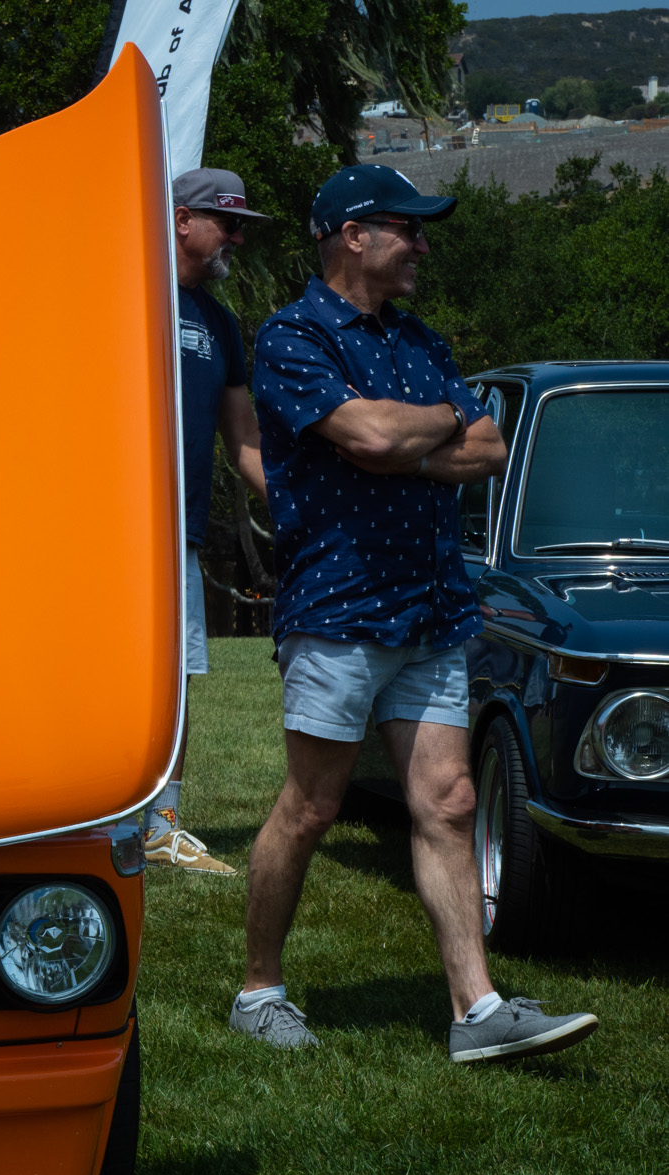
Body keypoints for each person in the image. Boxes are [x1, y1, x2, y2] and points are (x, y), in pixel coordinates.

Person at [236, 165, 599, 1063]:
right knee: (313, 805)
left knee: (450, 800)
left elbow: (489, 444)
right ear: (353, 235)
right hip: (338, 609)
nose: (424, 246)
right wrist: (422, 426)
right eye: (409, 228)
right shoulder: (291, 337)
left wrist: (410, 437)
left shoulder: (421, 341)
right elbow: (366, 435)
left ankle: (477, 1010)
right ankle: (259, 989)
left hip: (432, 608)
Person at [144, 168, 269, 875]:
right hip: (108, 536)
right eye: (229, 222)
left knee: (175, 681)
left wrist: (300, 506)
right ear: (182, 220)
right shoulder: (126, 294)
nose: (238, 238)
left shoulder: (219, 322)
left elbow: (244, 440)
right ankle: (82, 815)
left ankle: (160, 826)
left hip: (181, 536)